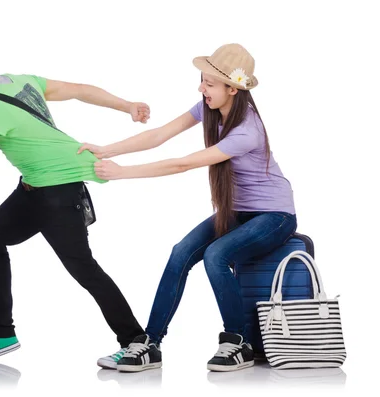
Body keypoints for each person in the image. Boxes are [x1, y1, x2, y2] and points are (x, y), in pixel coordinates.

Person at [0, 42, 149, 366]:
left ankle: (138, 343)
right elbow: (77, 90)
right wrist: (127, 105)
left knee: (84, 269)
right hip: (33, 190)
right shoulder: (15, 80)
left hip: (58, 192)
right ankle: (1, 333)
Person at [78, 43, 297, 372]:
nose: (201, 88)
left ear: (232, 89)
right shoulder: (209, 108)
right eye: (202, 80)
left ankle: (239, 342)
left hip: (275, 216)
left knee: (216, 255)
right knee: (181, 253)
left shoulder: (247, 131)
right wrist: (107, 150)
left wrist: (123, 174)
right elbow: (159, 135)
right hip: (237, 213)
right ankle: (149, 344)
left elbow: (182, 164)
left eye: (209, 83)